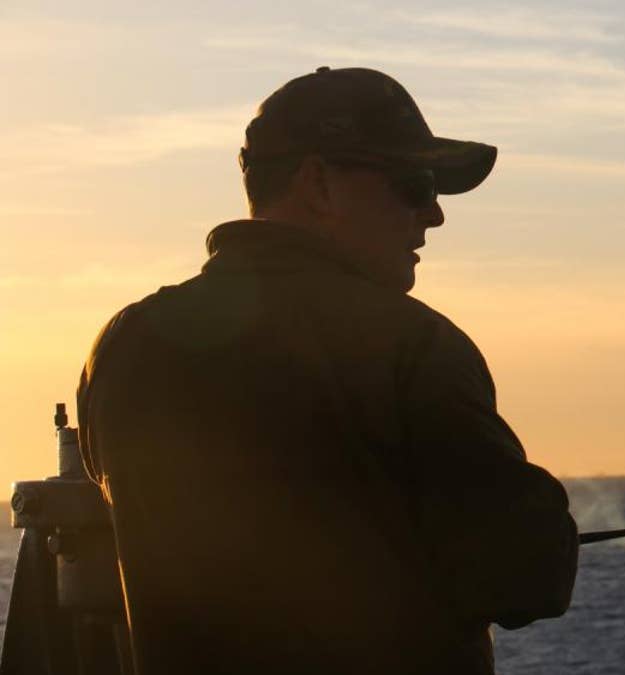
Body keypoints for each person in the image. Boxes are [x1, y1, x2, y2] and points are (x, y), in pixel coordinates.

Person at [76, 66, 579, 675]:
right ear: (319, 183)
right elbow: (526, 581)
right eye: (414, 185)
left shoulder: (125, 344)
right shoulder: (412, 344)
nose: (434, 216)